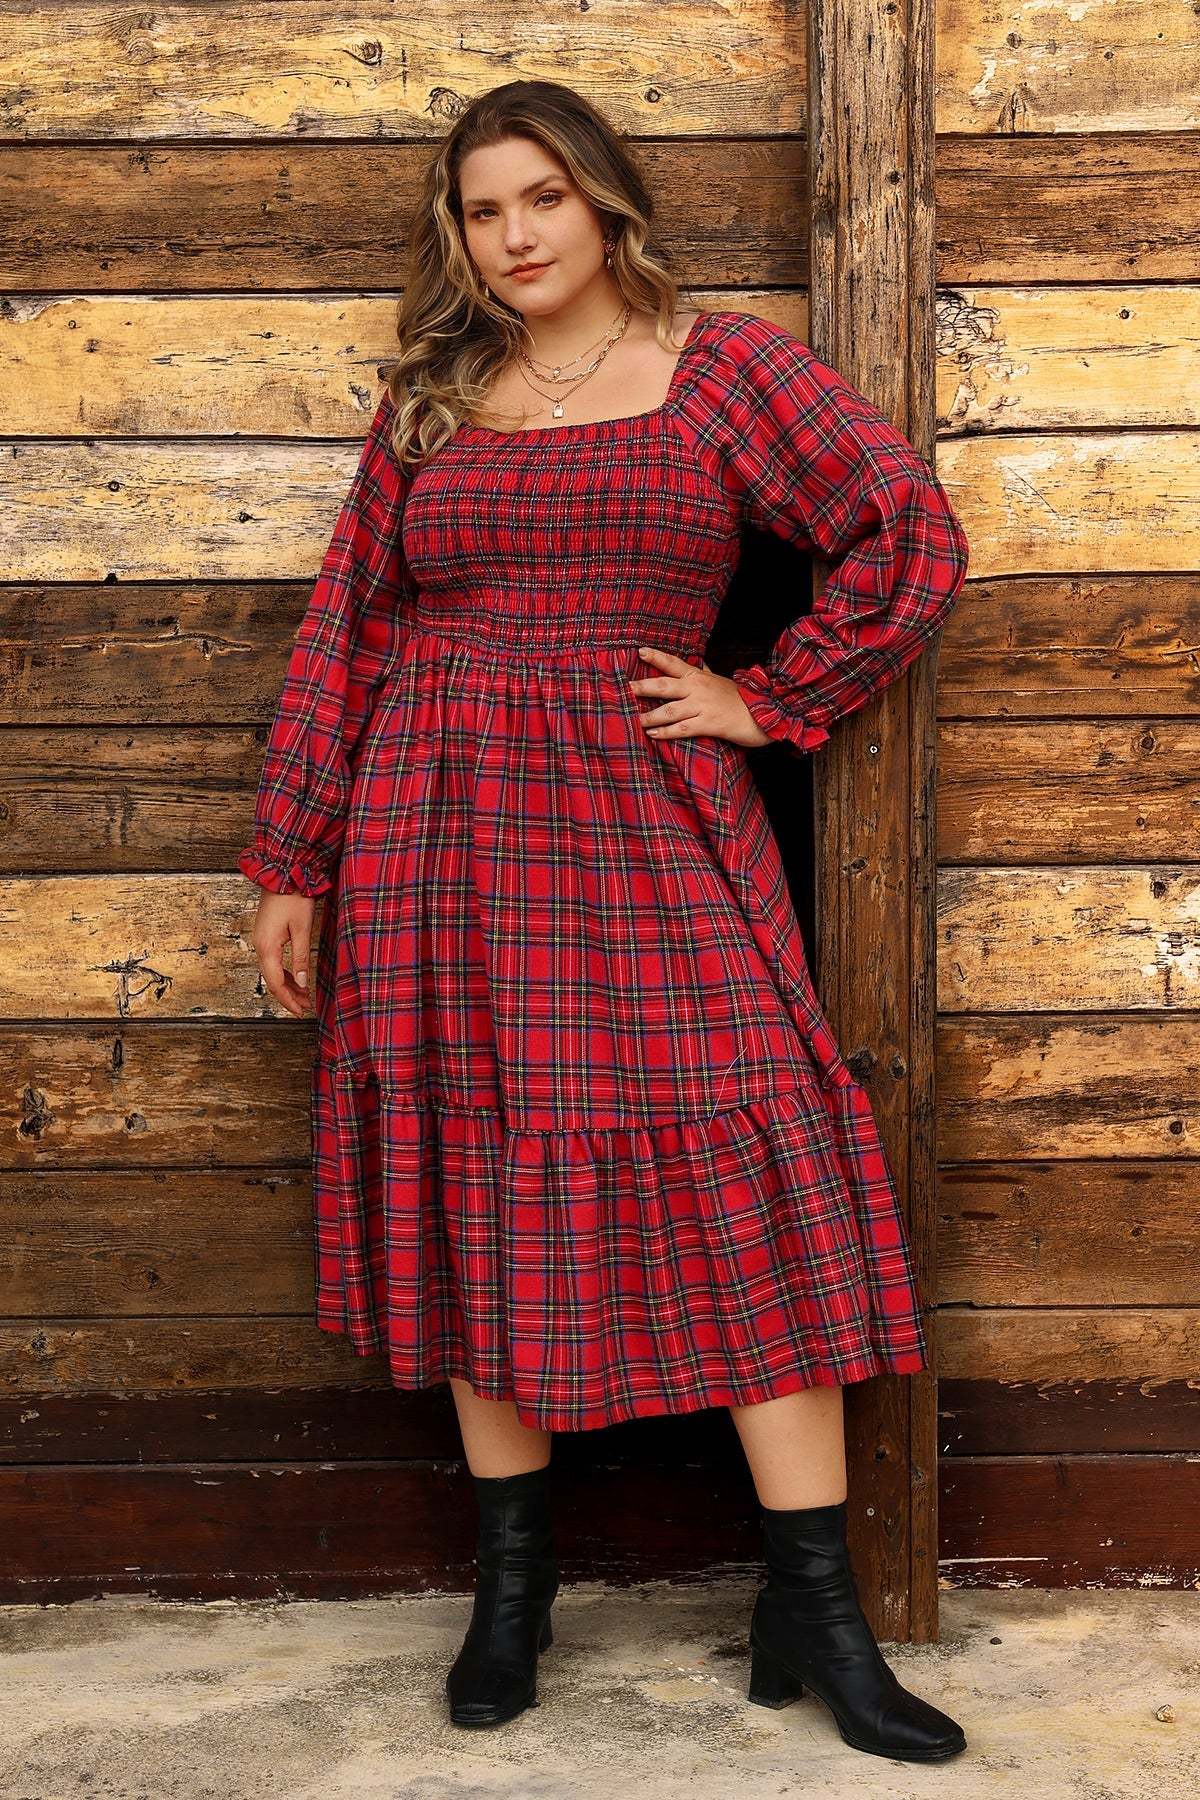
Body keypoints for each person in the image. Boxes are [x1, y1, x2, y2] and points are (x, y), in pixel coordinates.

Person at [239, 78, 970, 1763]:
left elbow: (908, 536)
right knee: (478, 1169)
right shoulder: (432, 400)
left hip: (641, 829)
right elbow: (349, 630)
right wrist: (294, 859)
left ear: (606, 200)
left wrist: (768, 697)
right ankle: (514, 1592)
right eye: (483, 211)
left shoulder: (728, 373)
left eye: (542, 199)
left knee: (756, 1169)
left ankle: (818, 1608)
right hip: (432, 839)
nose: (515, 237)